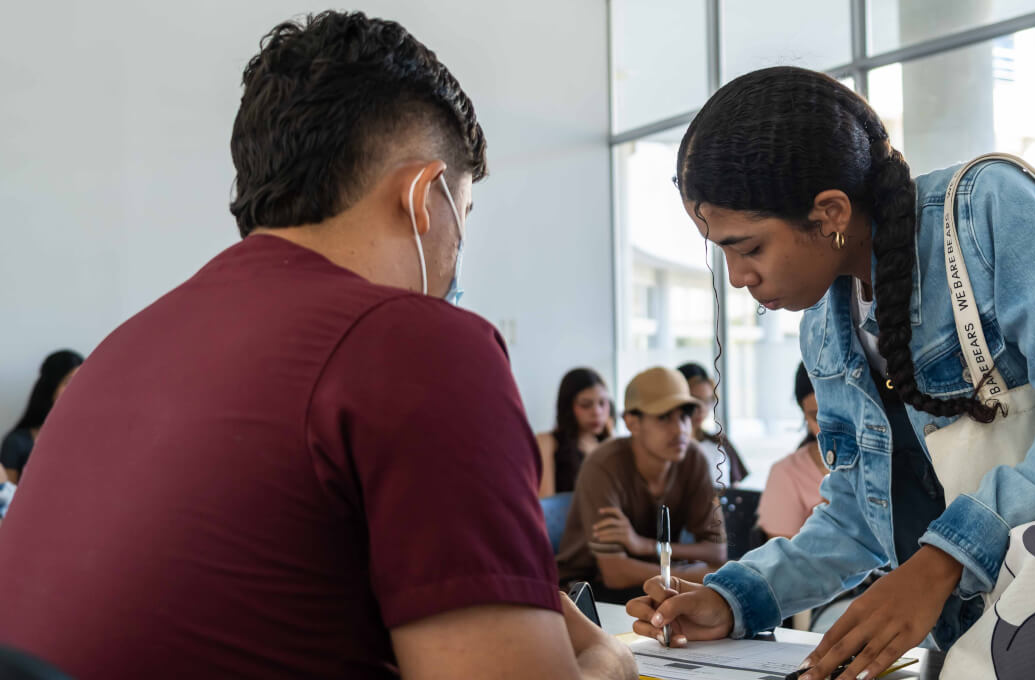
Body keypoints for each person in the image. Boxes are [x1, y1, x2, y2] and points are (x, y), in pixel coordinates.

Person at [0, 12, 635, 680]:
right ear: (424, 197)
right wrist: (605, 660)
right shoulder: (421, 345)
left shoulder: (120, 351)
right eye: (464, 216)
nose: (457, 256)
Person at [627, 66, 1035, 680]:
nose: (738, 276)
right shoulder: (826, 323)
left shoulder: (989, 213)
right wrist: (734, 599)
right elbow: (857, 514)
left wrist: (940, 561)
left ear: (828, 215)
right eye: (723, 252)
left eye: (749, 248)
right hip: (979, 643)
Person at [557, 367, 727, 603]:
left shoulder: (693, 458)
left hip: (653, 581)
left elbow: (717, 552)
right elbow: (615, 574)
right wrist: (693, 576)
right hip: (587, 591)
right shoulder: (603, 465)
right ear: (631, 422)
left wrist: (645, 546)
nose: (680, 429)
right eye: (664, 417)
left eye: (685, 415)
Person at [755, 363, 827, 541]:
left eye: (839, 415)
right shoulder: (787, 474)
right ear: (804, 416)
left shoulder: (889, 465)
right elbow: (783, 563)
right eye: (816, 417)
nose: (829, 428)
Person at [2, 349, 84, 483]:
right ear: (51, 387)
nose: (76, 389)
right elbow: (8, 499)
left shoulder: (91, 439)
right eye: (68, 382)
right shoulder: (17, 442)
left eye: (81, 382)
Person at [537, 368, 615, 497]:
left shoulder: (610, 443)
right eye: (586, 405)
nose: (597, 412)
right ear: (568, 407)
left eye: (602, 403)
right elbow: (547, 504)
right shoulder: (548, 442)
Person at [676, 362, 748, 486]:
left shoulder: (719, 442)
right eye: (695, 401)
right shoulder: (667, 447)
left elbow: (735, 494)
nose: (702, 409)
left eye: (708, 401)